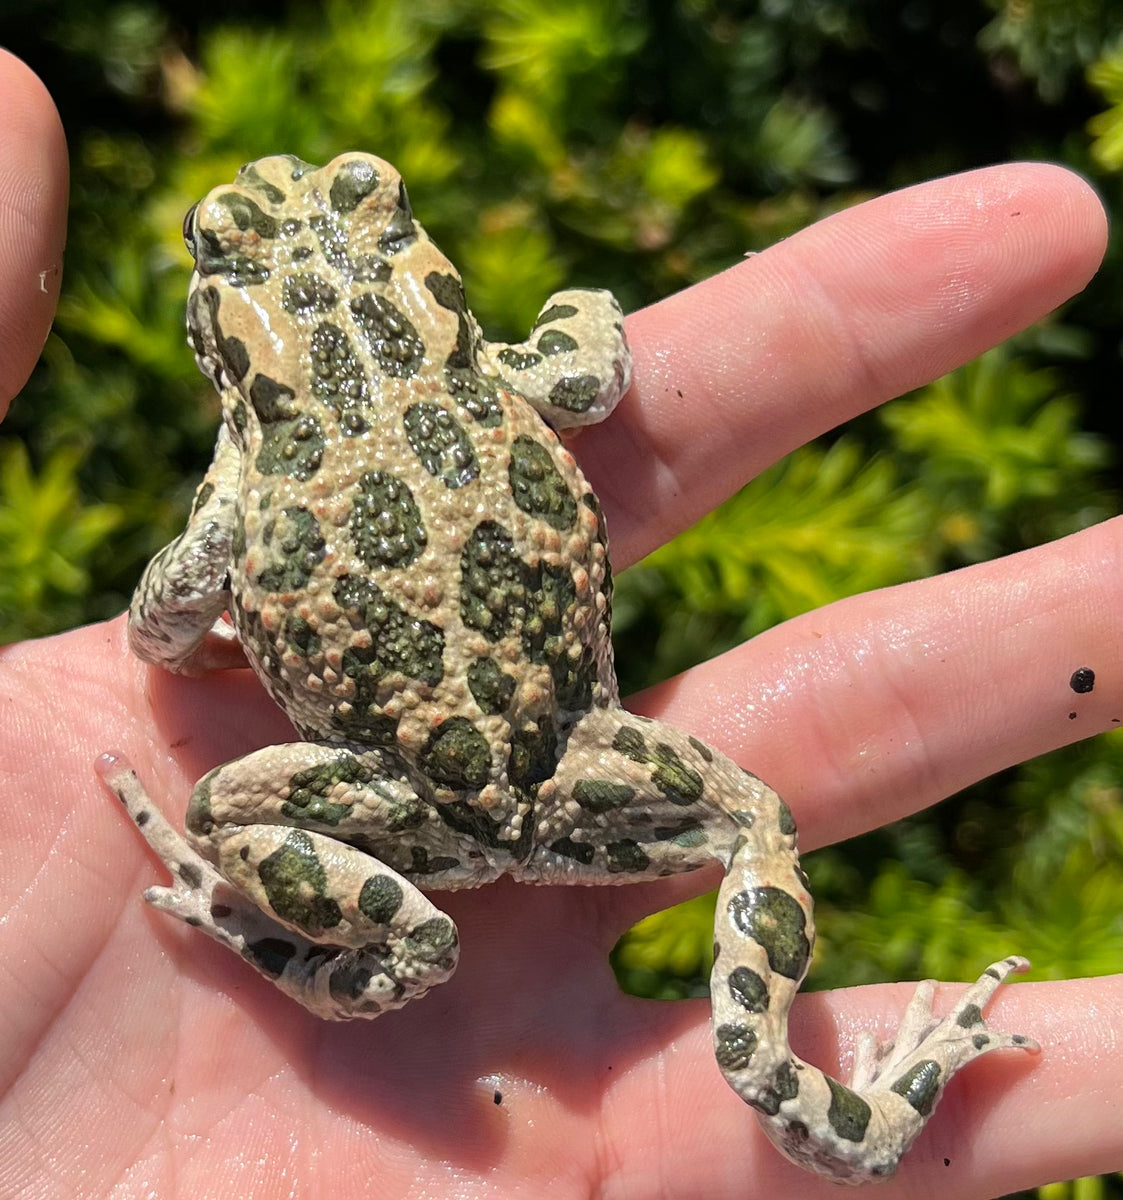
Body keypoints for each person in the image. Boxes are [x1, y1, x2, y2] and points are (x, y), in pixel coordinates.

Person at [0, 47, 1118, 1199]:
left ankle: (368, 954)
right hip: (565, 772)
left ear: (222, 336)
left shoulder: (257, 466)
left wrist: (194, 638)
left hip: (405, 807)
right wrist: (579, 299)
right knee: (751, 819)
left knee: (221, 808)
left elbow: (166, 622)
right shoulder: (486, 379)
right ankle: (799, 1091)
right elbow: (588, 373)